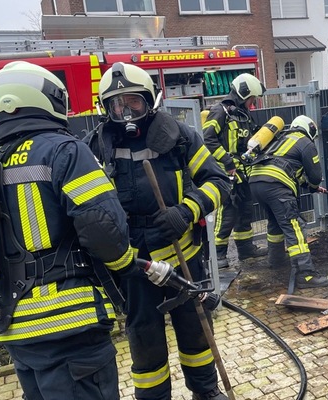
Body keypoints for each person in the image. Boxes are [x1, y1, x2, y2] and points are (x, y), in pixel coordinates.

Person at [0, 61, 141, 399]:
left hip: (16, 329)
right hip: (69, 325)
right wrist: (126, 265)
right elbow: (105, 229)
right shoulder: (64, 150)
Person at [85, 62, 231, 400]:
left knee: (195, 327)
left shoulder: (180, 138)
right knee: (144, 339)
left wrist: (186, 211)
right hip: (133, 265)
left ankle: (205, 390)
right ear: (104, 109)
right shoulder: (95, 148)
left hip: (183, 256)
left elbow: (219, 182)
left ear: (151, 100)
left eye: (133, 101)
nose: (126, 112)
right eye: (116, 104)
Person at [248, 115, 328, 290]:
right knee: (295, 227)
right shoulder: (305, 143)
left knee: (275, 222)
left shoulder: (279, 140)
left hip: (256, 182)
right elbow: (315, 176)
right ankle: (305, 275)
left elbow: (286, 168)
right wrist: (314, 185)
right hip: (276, 186)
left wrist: (310, 186)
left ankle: (276, 260)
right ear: (310, 130)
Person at [202, 73, 268, 268]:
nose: (252, 103)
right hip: (226, 172)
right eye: (251, 99)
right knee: (228, 212)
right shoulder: (220, 111)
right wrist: (228, 162)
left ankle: (246, 249)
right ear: (243, 93)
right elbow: (208, 139)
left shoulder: (242, 113)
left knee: (245, 208)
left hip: (243, 171)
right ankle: (218, 255)